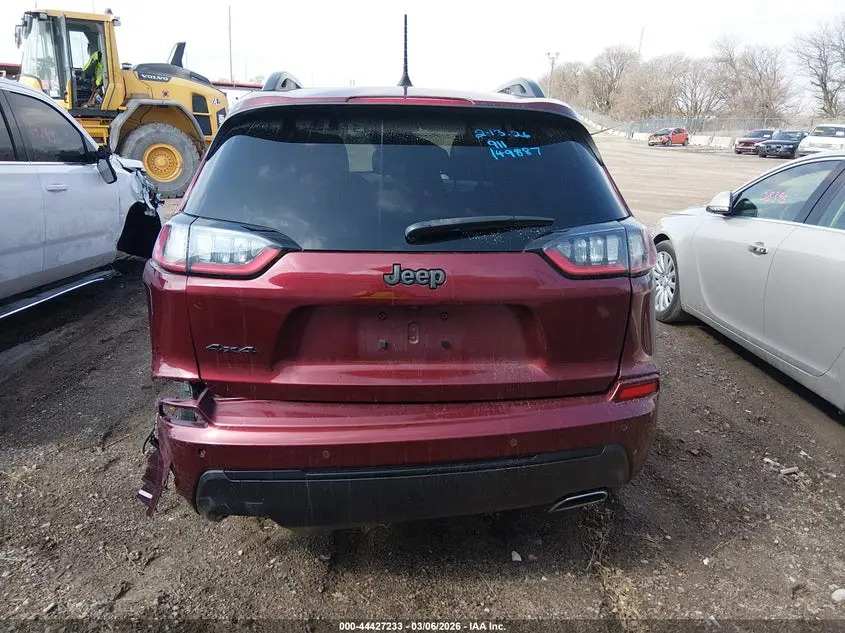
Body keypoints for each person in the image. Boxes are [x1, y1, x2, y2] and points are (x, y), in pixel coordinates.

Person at [81, 35, 103, 107]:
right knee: (94, 92)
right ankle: (90, 103)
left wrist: (83, 74)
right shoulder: (97, 56)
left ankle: (91, 104)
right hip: (99, 81)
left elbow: (88, 70)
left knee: (96, 93)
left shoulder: (96, 55)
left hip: (101, 81)